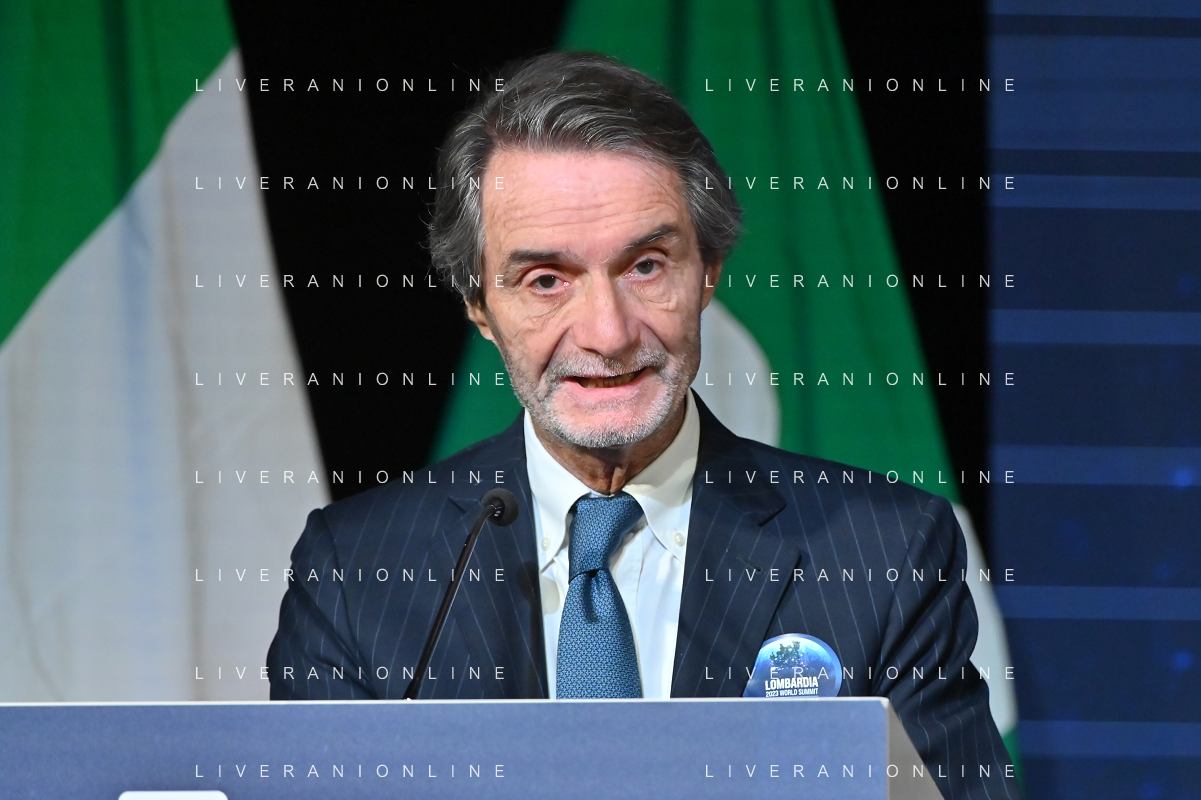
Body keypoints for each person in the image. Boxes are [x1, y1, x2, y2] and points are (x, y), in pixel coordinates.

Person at [268, 51, 1017, 799]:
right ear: (479, 307)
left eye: (646, 266)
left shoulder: (883, 554)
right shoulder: (356, 572)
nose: (608, 333)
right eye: (545, 281)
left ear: (708, 270)